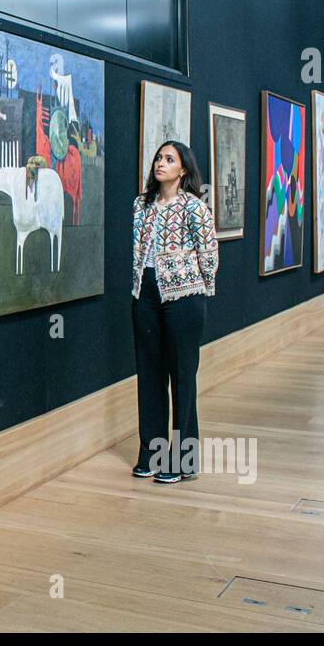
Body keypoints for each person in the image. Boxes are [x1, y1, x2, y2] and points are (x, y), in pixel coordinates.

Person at [130, 141, 219, 483]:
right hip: (146, 292)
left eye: (170, 159)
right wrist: (140, 289)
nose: (160, 163)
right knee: (150, 374)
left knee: (182, 376)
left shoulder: (193, 207)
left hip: (185, 295)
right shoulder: (141, 206)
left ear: (183, 170)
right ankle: (151, 453)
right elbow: (138, 252)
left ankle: (184, 461)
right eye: (158, 157)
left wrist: (201, 288)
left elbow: (209, 252)